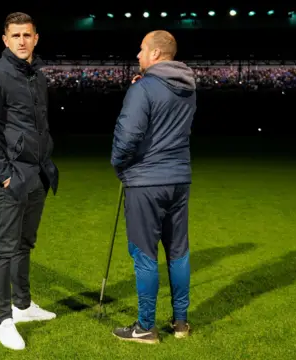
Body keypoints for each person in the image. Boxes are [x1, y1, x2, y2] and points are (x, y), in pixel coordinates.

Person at [0, 12, 59, 351]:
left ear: (36, 37)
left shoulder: (37, 75)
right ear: (5, 40)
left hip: (37, 174)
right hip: (12, 177)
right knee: (4, 249)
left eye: (27, 34)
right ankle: (3, 320)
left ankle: (23, 306)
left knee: (25, 244)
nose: (22, 41)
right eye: (15, 35)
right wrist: (5, 175)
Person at [110, 30, 196, 344]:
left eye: (142, 49)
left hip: (146, 181)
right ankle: (181, 323)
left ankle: (145, 327)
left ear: (156, 54)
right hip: (178, 178)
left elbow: (128, 136)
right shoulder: (188, 87)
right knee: (178, 252)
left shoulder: (143, 88)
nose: (138, 55)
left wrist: (119, 164)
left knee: (144, 253)